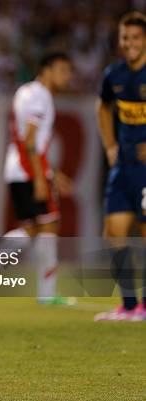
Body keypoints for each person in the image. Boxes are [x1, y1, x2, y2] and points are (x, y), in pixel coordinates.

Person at [2, 51, 74, 304]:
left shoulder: (25, 92)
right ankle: (47, 293)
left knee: (32, 229)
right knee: (50, 225)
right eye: (63, 70)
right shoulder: (41, 96)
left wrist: (53, 173)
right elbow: (30, 140)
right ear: (46, 70)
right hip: (28, 170)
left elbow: (27, 140)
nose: (68, 76)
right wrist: (42, 179)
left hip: (17, 168)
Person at [94, 12, 146, 322]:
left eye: (136, 38)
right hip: (123, 168)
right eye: (125, 37)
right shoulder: (113, 75)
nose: (129, 43)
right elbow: (102, 106)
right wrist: (110, 145)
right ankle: (129, 306)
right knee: (114, 234)